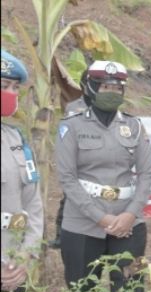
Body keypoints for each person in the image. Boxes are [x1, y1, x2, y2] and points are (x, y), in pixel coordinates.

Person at [55, 60, 151, 292]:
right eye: (106, 86)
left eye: (118, 87)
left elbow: (147, 173)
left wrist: (129, 215)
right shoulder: (71, 125)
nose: (113, 92)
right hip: (82, 226)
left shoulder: (133, 126)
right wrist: (101, 218)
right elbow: (67, 179)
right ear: (90, 87)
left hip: (130, 226)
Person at [1, 49, 44, 292]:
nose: (12, 95)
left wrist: (26, 256)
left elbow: (33, 204)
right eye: (6, 86)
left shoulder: (15, 139)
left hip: (12, 266)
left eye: (16, 88)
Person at [51, 70, 91, 249]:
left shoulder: (109, 107)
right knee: (68, 199)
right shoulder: (75, 106)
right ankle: (61, 236)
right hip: (76, 159)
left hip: (94, 161)